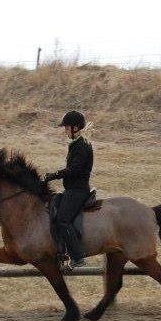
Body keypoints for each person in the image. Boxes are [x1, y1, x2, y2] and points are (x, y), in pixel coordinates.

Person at [45, 110, 94, 270]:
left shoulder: (82, 146)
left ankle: (78, 257)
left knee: (63, 220)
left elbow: (74, 170)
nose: (65, 131)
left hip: (78, 191)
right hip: (71, 190)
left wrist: (54, 175)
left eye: (66, 127)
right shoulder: (76, 144)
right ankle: (60, 251)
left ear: (75, 128)